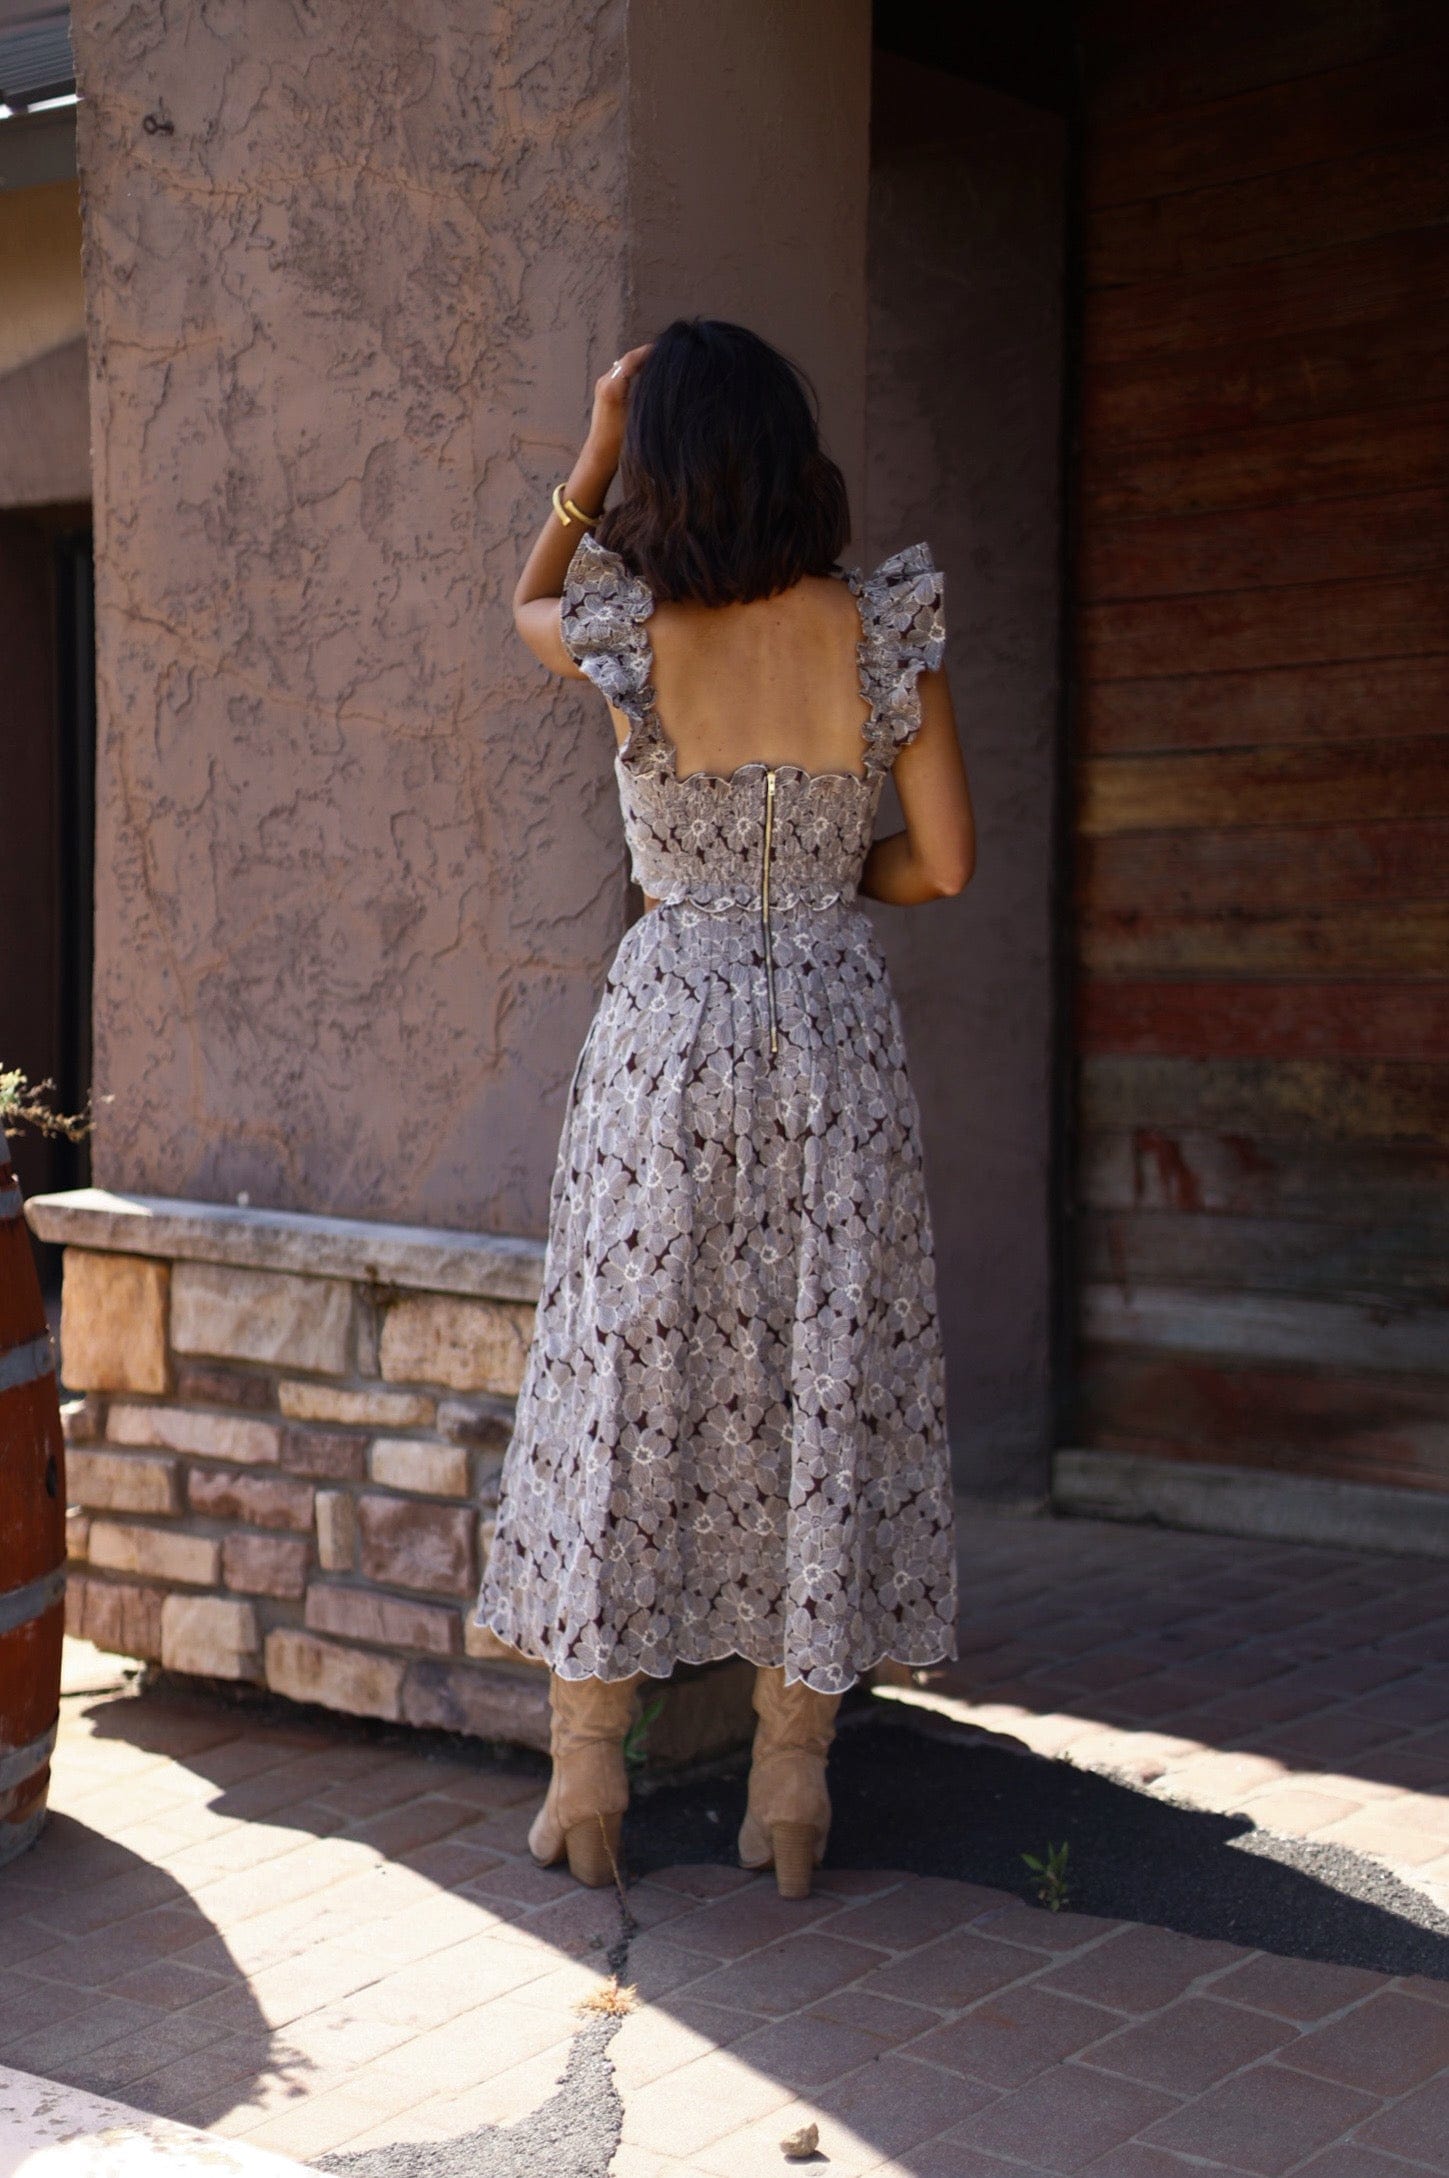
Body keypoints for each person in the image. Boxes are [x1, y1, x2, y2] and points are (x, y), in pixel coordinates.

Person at [473, 318, 975, 1899]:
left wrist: (591, 443)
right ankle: (791, 1791)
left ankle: (586, 1783)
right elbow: (945, 864)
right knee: (821, 1374)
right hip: (832, 1033)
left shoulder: (626, 631)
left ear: (669, 459)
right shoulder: (883, 625)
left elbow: (527, 600)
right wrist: (830, 887)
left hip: (669, 1029)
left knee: (632, 1373)